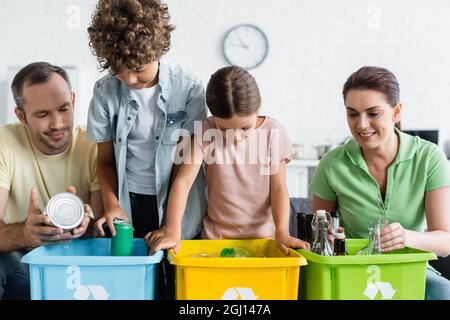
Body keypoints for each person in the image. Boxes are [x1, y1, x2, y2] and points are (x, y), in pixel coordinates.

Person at [86, 0, 207, 299]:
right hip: (130, 201)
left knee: (176, 286)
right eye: (118, 70)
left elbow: (187, 167)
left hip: (178, 202)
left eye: (138, 69)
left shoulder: (189, 88)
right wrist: (112, 204)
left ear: (158, 50)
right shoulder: (104, 92)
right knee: (135, 286)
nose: (128, 80)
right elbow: (104, 161)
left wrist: (172, 225)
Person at [310, 66, 450, 299]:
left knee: (442, 291)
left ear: (396, 112)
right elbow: (317, 235)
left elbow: (445, 241)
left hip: (411, 269)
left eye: (373, 113)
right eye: (353, 114)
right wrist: (326, 236)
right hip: (352, 269)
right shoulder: (333, 164)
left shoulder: (429, 158)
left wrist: (406, 237)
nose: (362, 125)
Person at [147, 66, 309, 255]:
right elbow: (183, 182)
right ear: (213, 115)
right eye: (224, 129)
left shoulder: (273, 132)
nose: (236, 137)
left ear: (259, 107)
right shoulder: (206, 130)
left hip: (264, 240)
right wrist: (173, 230)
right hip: (216, 240)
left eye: (245, 128)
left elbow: (278, 188)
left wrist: (282, 231)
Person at [0, 62, 103, 300]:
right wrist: (25, 234)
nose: (57, 124)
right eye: (43, 114)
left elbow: (104, 231)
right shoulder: (5, 142)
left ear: (74, 101)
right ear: (21, 115)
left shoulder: (94, 145)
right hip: (25, 264)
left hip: (83, 266)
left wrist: (87, 226)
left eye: (64, 109)